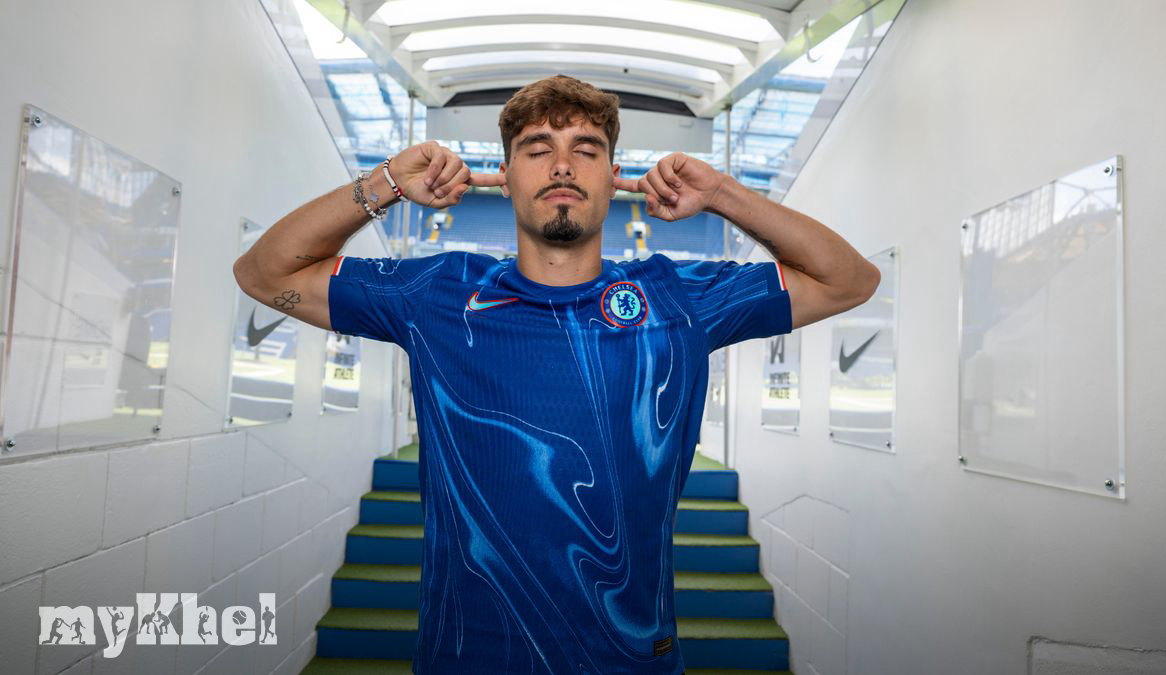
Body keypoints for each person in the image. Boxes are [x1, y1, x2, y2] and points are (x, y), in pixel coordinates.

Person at [233, 74, 878, 673]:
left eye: (586, 150)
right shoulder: (438, 293)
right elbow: (263, 273)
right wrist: (385, 183)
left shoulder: (677, 298)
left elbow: (849, 280)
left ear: (615, 178)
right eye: (537, 149)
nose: (563, 165)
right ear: (504, 177)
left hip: (632, 658)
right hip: (467, 657)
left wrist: (721, 196)